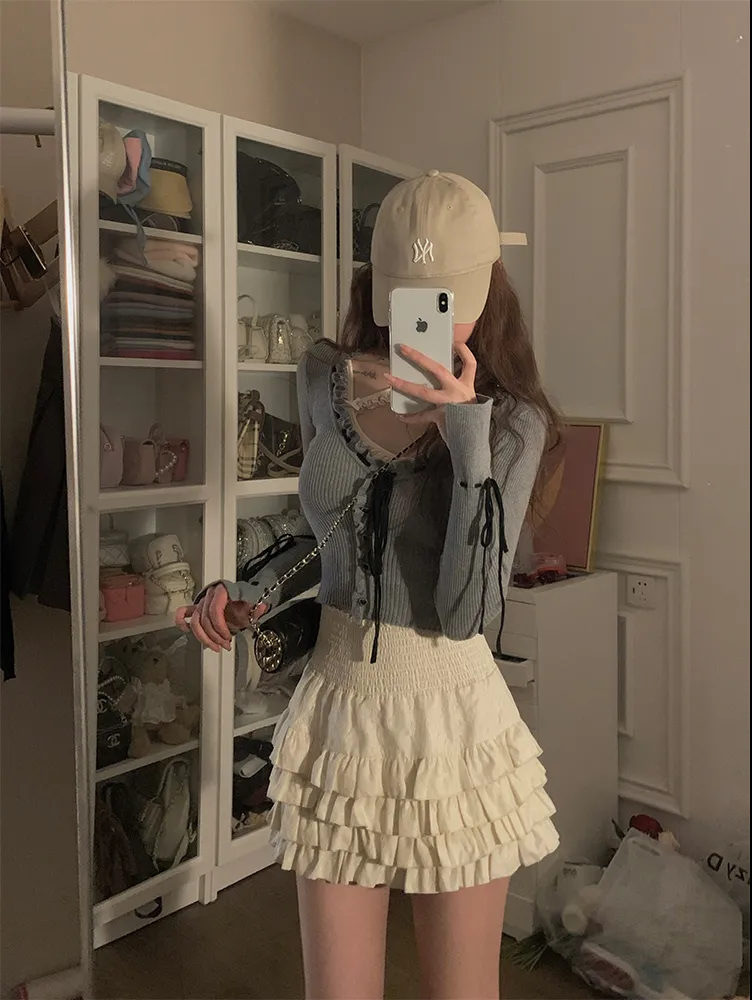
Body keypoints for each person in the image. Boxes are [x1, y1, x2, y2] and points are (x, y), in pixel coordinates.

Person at [177, 171, 560, 1000]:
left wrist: (465, 433)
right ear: (377, 285)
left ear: (488, 288)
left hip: (452, 723)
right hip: (340, 712)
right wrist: (249, 587)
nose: (429, 317)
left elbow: (466, 614)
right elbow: (324, 535)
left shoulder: (512, 422)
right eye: (410, 296)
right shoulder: (324, 375)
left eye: (449, 297)